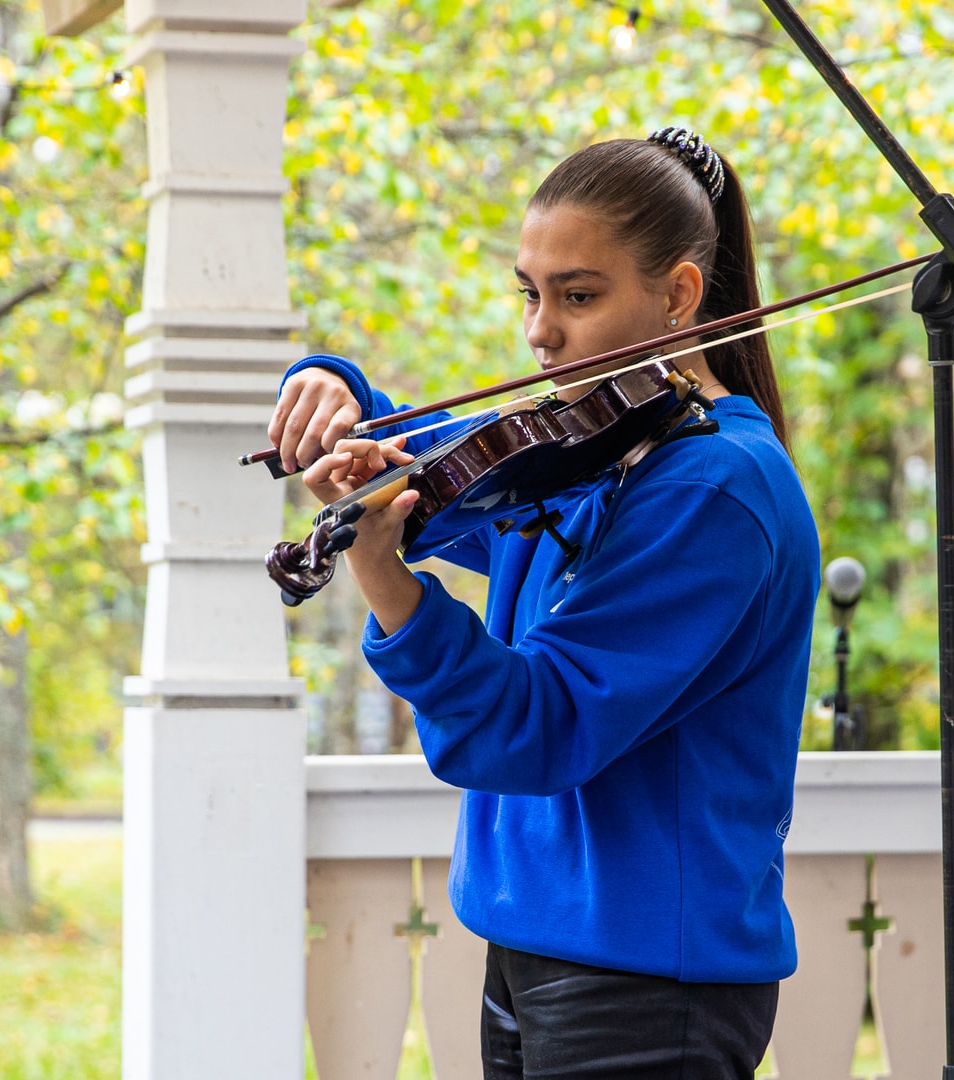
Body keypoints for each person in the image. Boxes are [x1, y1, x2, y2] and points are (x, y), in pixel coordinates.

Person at [269, 128, 820, 1079]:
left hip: (648, 983)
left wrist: (387, 580)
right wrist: (336, 392)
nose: (540, 332)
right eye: (530, 292)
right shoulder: (589, 448)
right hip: (534, 946)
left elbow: (537, 725)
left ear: (680, 294)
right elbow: (445, 471)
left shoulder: (713, 489)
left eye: (579, 296)